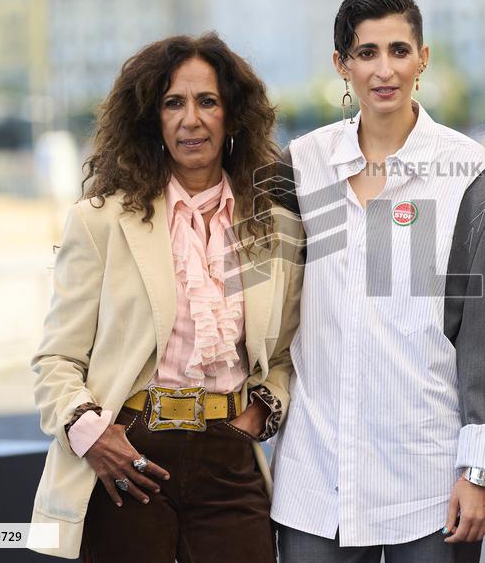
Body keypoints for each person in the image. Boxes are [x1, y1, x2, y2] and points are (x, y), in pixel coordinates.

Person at [28, 33, 304, 561]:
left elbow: (286, 355)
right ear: (149, 118)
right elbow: (56, 360)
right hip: (126, 460)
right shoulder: (99, 220)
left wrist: (261, 412)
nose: (190, 119)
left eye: (208, 102)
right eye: (172, 103)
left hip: (230, 457)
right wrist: (94, 435)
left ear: (234, 116)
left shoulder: (277, 226)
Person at [271, 0, 485, 562]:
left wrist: (479, 472)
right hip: (316, 475)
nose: (385, 70)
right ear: (341, 64)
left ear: (423, 57)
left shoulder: (473, 177)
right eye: (366, 53)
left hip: (430, 479)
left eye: (399, 50)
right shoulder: (301, 167)